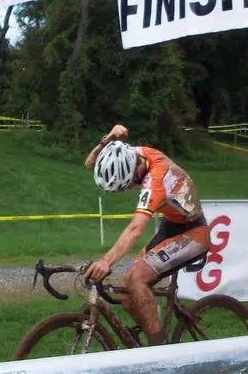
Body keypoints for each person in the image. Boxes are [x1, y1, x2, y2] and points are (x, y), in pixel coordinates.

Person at [82, 124, 209, 346]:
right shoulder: (130, 153)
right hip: (171, 226)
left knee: (136, 278)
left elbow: (135, 229)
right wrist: (107, 139)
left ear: (133, 172)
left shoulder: (155, 180)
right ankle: (151, 333)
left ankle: (159, 356)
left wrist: (106, 261)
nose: (129, 189)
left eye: (127, 185)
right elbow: (89, 163)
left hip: (194, 232)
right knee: (126, 290)